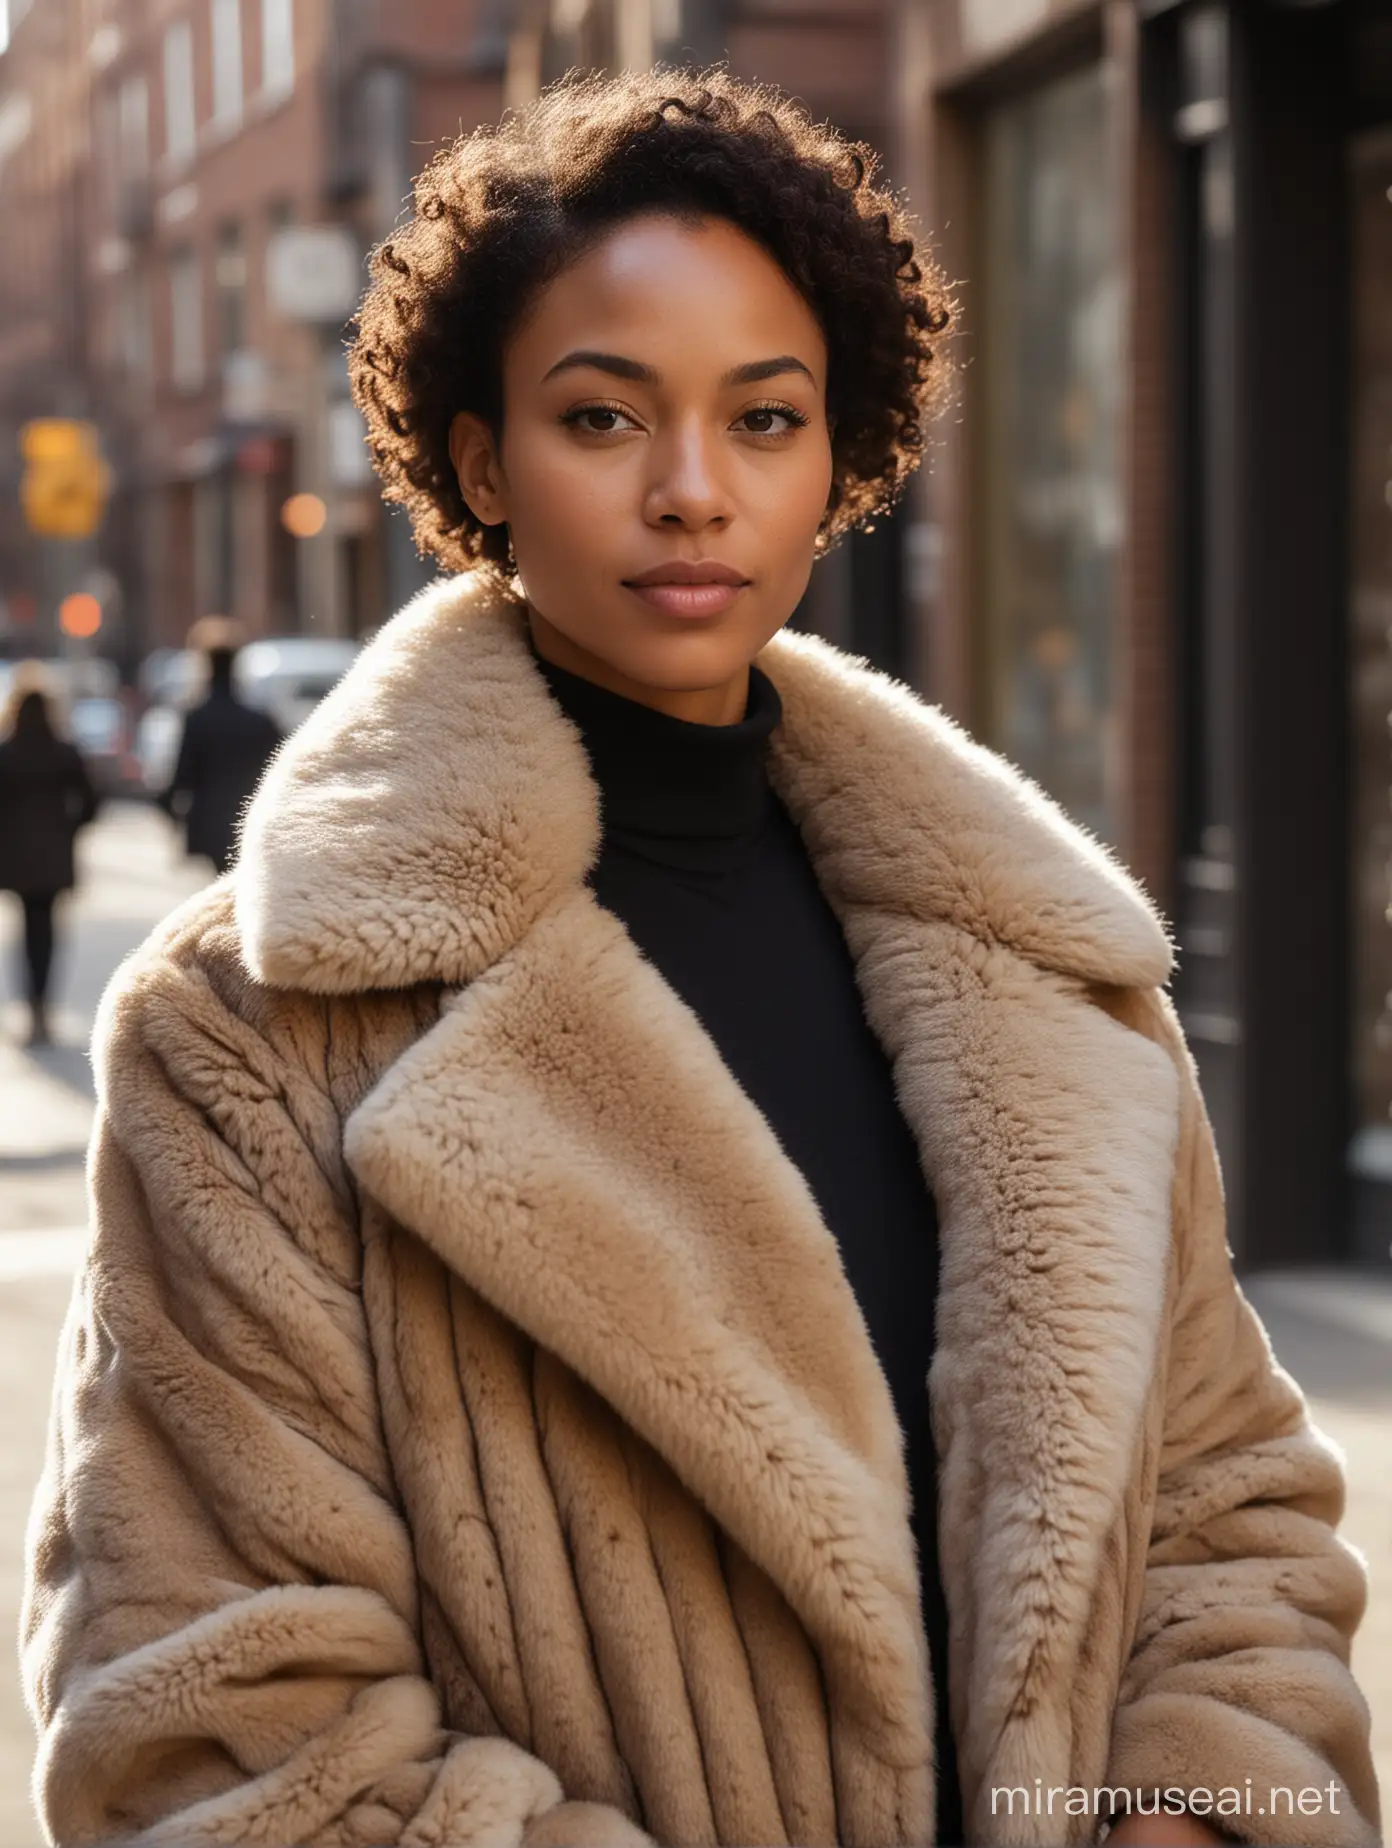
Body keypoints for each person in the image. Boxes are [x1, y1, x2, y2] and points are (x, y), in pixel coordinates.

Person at [20, 69, 1378, 1848]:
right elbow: (212, 1724)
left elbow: (1229, 1514)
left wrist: (1181, 1811)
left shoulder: (1045, 964)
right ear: (484, 457)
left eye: (763, 418)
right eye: (602, 419)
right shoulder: (256, 1032)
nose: (691, 491)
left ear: (843, 454)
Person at [0, 664, 98, 1047]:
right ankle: (44, 1005)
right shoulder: (65, 751)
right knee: (48, 934)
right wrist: (69, 829)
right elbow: (91, 801)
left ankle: (31, 1006)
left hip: (16, 859)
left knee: (25, 932)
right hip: (55, 856)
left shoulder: (5, 753)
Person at [159, 615, 281, 876]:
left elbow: (183, 775)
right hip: (251, 817)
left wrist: (167, 808)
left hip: (211, 821)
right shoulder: (260, 720)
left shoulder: (197, 718)